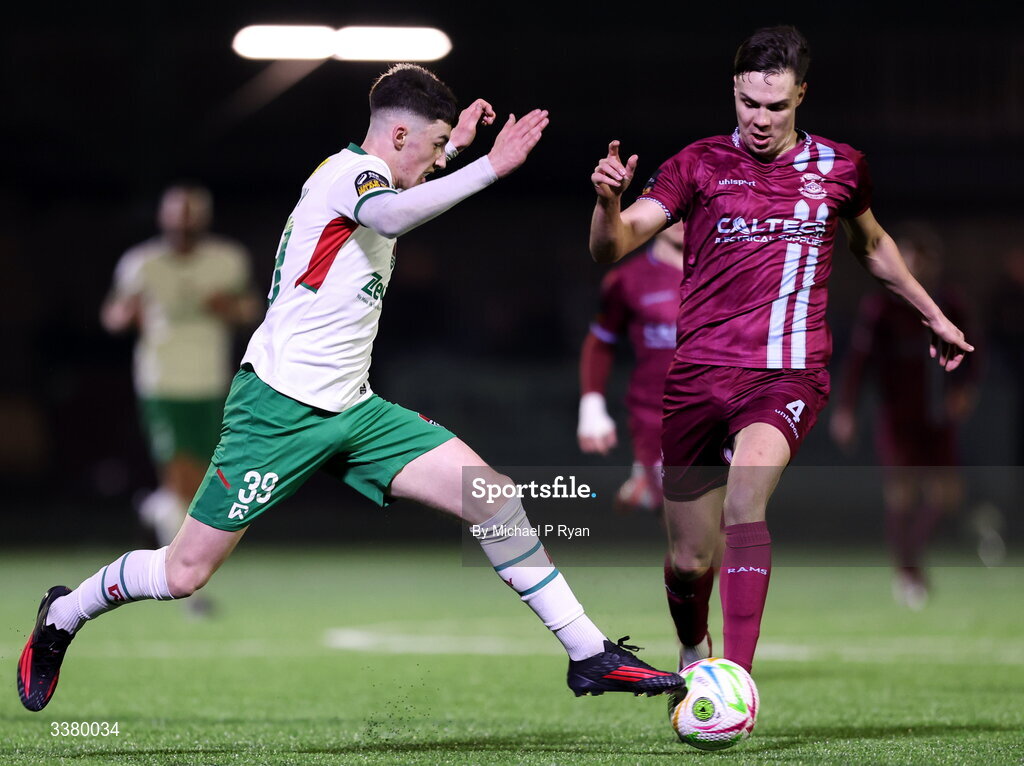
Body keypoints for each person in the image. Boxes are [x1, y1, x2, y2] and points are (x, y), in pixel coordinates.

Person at [18, 64, 683, 713]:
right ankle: (63, 616)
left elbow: (401, 183)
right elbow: (391, 213)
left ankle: (588, 653)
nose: (432, 162)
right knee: (183, 574)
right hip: (279, 409)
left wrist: (450, 148)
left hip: (354, 410)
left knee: (494, 498)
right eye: (426, 148)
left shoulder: (366, 170)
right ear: (397, 138)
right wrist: (490, 167)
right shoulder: (352, 177)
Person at [588, 26, 973, 689]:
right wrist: (606, 204)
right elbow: (613, 246)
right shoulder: (696, 164)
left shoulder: (841, 168)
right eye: (748, 104)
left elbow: (874, 245)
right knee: (687, 559)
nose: (760, 120)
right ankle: (695, 645)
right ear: (733, 94)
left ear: (800, 95)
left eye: (775, 107)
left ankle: (734, 680)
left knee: (746, 503)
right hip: (698, 378)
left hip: (785, 375)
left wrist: (931, 312)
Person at [102, 185, 260, 583]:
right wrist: (127, 314)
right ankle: (179, 570)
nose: (182, 225)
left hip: (209, 379)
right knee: (179, 478)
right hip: (162, 379)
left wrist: (230, 307)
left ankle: (159, 517)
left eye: (190, 216)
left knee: (204, 478)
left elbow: (253, 308)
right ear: (163, 218)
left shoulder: (227, 259)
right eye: (176, 216)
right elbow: (113, 314)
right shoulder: (141, 262)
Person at [830, 223, 978, 608]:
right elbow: (858, 363)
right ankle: (908, 573)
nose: (918, 266)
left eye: (925, 260)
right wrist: (846, 410)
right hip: (897, 418)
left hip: (938, 418)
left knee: (949, 496)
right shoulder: (881, 308)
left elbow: (973, 353)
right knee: (902, 496)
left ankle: (910, 560)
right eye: (911, 258)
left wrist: (964, 390)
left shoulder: (950, 302)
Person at [577, 221, 686, 513]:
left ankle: (645, 486)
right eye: (676, 212)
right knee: (683, 516)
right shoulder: (628, 279)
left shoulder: (728, 273)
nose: (682, 222)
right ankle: (649, 484)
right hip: (655, 416)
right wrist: (592, 404)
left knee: (723, 513)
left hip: (720, 408)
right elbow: (600, 342)